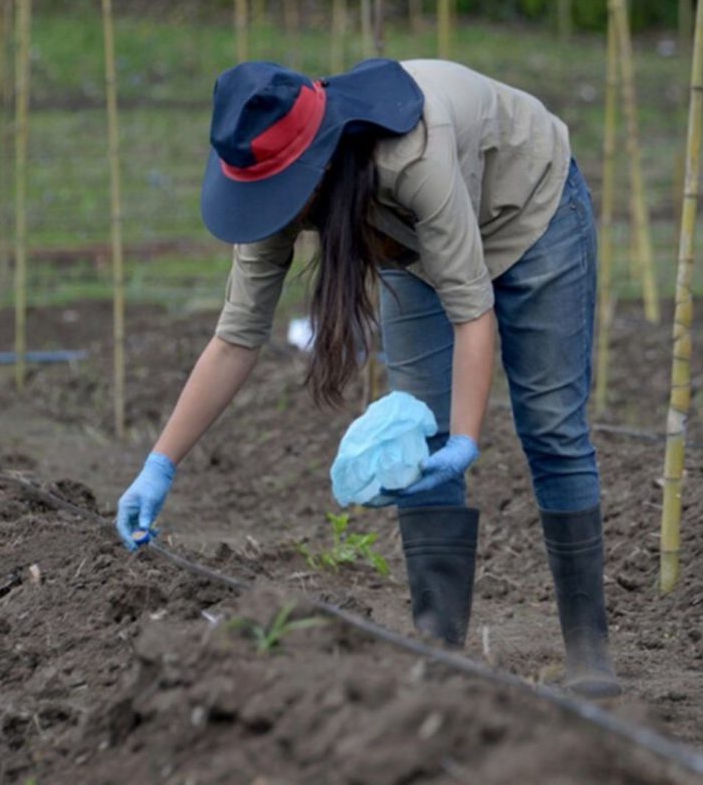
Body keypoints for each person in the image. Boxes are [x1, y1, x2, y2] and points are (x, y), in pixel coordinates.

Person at [115, 58, 621, 698]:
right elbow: (237, 335)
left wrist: (466, 441)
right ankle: (440, 654)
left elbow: (472, 312)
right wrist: (161, 462)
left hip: (529, 212)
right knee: (418, 434)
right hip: (410, 243)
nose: (272, 210)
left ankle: (588, 650)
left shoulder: (409, 155)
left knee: (550, 427)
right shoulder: (277, 182)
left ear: (319, 164)